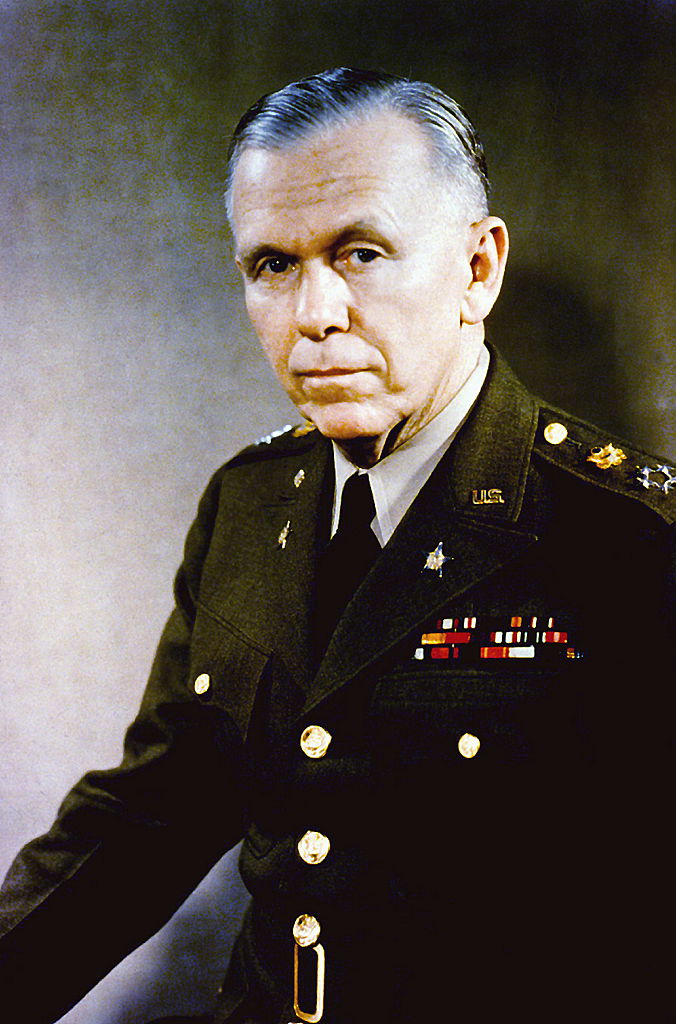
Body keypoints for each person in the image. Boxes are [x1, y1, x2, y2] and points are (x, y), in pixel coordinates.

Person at [0, 67, 673, 1024]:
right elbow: (150, 819)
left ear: (478, 269)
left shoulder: (626, 543)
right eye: (272, 264)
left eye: (360, 253)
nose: (314, 314)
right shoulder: (247, 504)